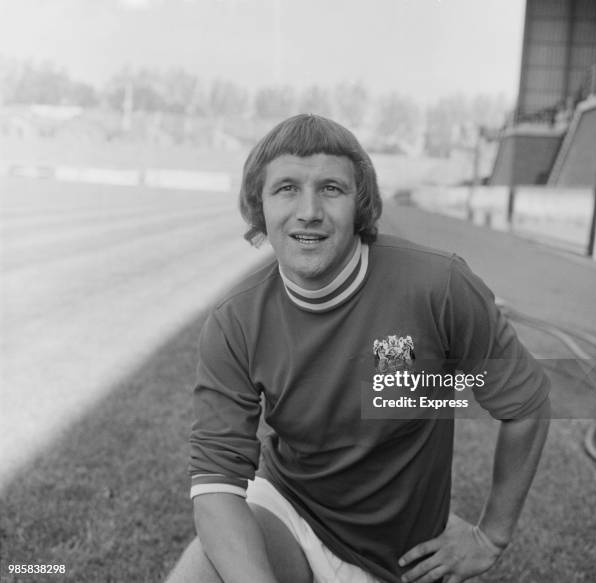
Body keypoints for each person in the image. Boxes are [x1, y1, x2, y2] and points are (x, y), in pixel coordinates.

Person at [166, 114, 550, 583]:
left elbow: (527, 402)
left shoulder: (438, 286)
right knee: (197, 575)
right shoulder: (235, 321)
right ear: (259, 205)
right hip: (291, 511)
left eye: (331, 188)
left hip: (402, 559)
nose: (308, 210)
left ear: (360, 202)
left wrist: (490, 537)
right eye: (286, 188)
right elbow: (216, 485)